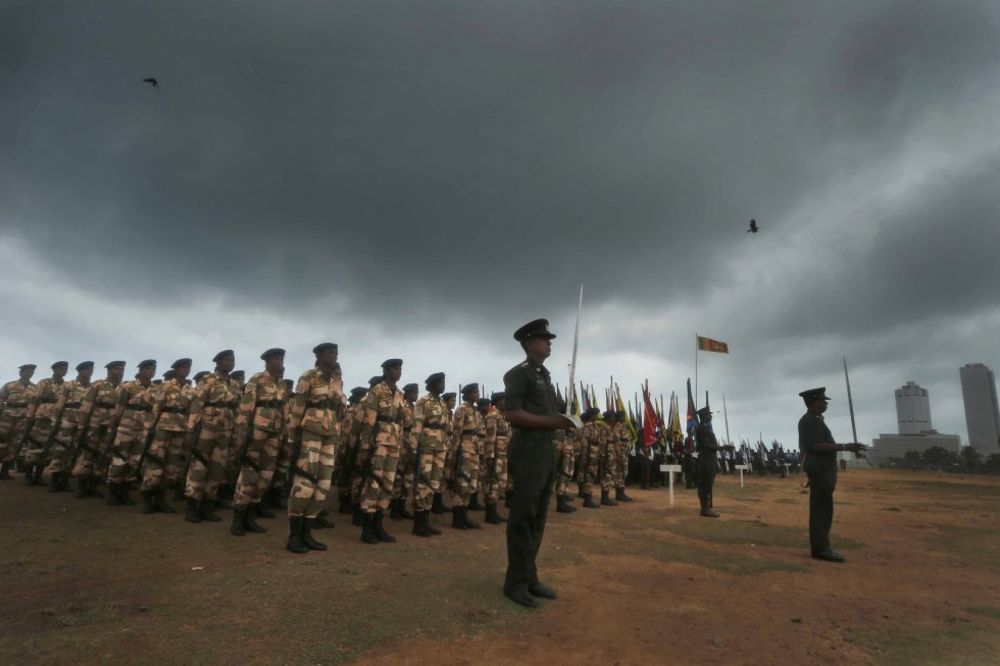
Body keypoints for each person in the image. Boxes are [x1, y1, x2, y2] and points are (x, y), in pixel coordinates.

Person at [501, 318, 576, 608]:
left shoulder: (544, 375)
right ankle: (515, 583)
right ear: (530, 343)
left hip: (545, 449)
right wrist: (551, 422)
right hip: (528, 449)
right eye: (544, 339)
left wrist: (563, 422)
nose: (549, 342)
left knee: (539, 515)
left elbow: (549, 414)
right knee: (523, 516)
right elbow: (512, 413)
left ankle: (529, 575)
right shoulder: (518, 374)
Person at [285, 343, 345, 553]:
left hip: (330, 434)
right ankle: (294, 536)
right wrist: (292, 440)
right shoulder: (308, 377)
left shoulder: (337, 380)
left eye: (336, 353)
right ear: (319, 356)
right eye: (330, 352)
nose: (334, 355)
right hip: (310, 432)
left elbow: (339, 409)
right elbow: (297, 409)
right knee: (305, 483)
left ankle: (307, 532)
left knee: (324, 485)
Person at [797, 387, 865, 562]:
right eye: (822, 400)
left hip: (823, 469)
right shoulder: (809, 421)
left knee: (823, 508)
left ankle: (821, 546)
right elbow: (816, 446)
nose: (825, 403)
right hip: (819, 469)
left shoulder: (816, 420)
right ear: (813, 402)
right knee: (821, 509)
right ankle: (820, 549)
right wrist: (845, 447)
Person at [230, 348, 288, 536]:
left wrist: (284, 431)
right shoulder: (257, 380)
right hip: (256, 432)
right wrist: (240, 435)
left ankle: (251, 515)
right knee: (249, 474)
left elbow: (284, 409)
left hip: (274, 433)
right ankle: (238, 517)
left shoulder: (281, 384)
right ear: (268, 361)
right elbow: (246, 408)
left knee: (266, 475)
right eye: (277, 359)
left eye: (281, 359)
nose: (280, 362)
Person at [184, 351, 239, 522]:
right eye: (228, 360)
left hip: (226, 430)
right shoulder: (208, 380)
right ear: (219, 363)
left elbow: (237, 409)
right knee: (199, 466)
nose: (231, 363)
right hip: (207, 428)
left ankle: (207, 506)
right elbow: (197, 404)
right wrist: (190, 429)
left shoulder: (235, 384)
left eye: (233, 360)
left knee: (217, 469)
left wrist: (237, 432)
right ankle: (192, 506)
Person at [355, 359, 405, 544]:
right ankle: (367, 528)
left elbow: (400, 421)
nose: (398, 371)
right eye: (395, 368)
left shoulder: (399, 394)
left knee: (387, 484)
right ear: (386, 370)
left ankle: (378, 525)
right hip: (378, 443)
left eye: (400, 369)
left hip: (393, 443)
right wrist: (365, 446)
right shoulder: (377, 390)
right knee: (373, 484)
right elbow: (369, 421)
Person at [411, 372, 448, 536]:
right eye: (441, 383)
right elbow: (417, 425)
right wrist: (413, 448)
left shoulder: (442, 403)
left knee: (434, 483)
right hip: (425, 446)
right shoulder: (423, 402)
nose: (443, 385)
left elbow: (446, 427)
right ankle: (419, 524)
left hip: (440, 447)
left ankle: (426, 521)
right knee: (423, 483)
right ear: (433, 384)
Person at [20, 361, 68, 485]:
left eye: (65, 369)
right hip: (43, 417)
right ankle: (28, 475)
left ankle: (39, 475)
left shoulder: (66, 385)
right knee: (35, 445)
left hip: (57, 418)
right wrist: (30, 415)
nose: (64, 371)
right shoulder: (44, 382)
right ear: (55, 370)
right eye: (61, 368)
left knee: (49, 447)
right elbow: (34, 399)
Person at [0, 364, 36, 480]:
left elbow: (35, 404)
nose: (29, 374)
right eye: (26, 371)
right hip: (7, 418)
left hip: (23, 419)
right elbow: (1, 399)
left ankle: (5, 471)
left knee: (15, 445)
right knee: (1, 443)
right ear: (21, 373)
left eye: (31, 372)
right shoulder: (9, 385)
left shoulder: (35, 388)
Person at [694, 406, 720, 517]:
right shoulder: (701, 429)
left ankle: (707, 507)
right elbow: (706, 445)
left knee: (709, 483)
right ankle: (704, 509)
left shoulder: (706, 428)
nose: (711, 416)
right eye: (709, 414)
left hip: (710, 458)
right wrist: (722, 448)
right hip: (705, 459)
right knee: (705, 483)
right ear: (704, 416)